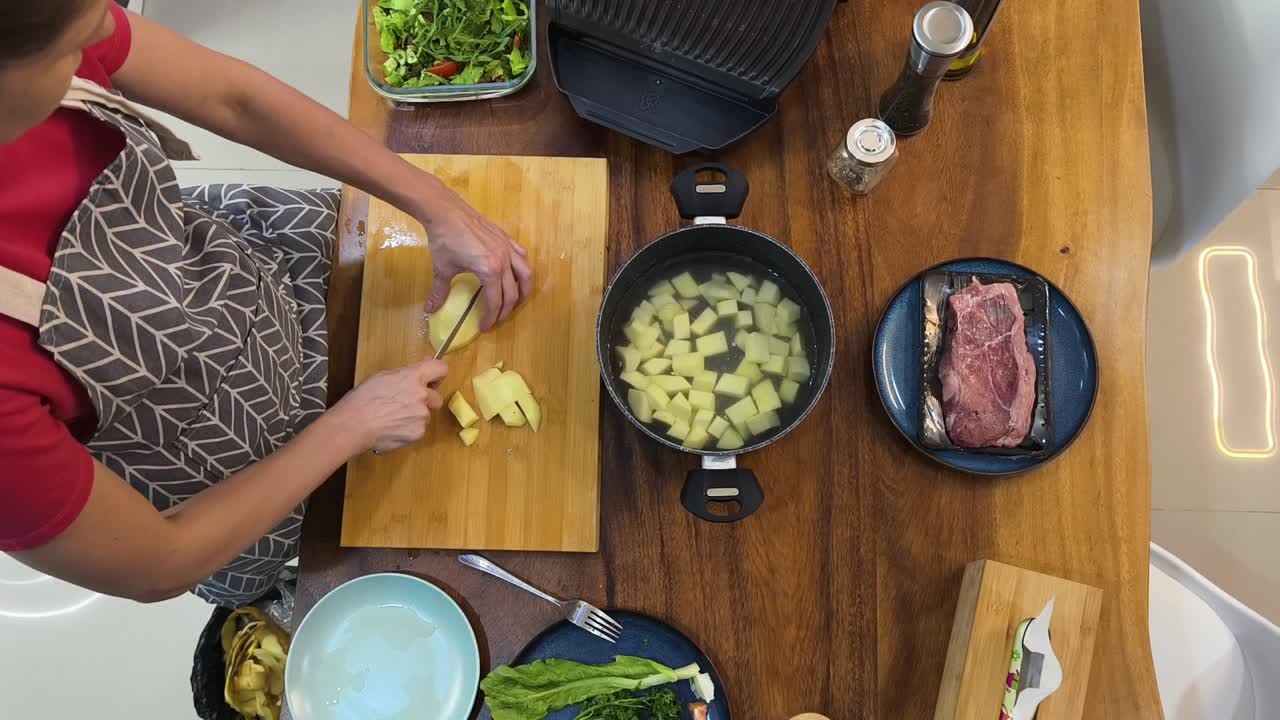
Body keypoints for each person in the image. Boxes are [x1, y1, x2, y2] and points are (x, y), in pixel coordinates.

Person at [0, 1, 533, 606]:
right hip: (229, 479)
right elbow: (157, 562)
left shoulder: (46, 16)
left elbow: (233, 98)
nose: (109, 29)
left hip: (266, 270)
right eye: (71, 48)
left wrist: (438, 204)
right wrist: (354, 424)